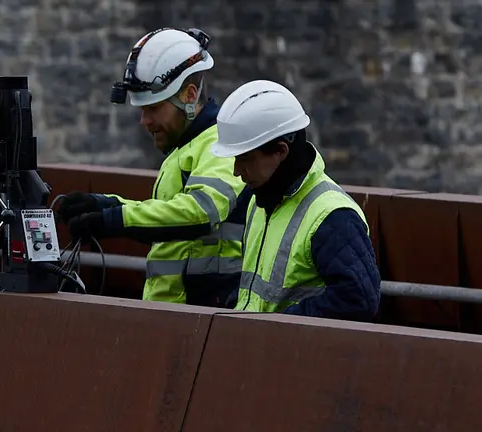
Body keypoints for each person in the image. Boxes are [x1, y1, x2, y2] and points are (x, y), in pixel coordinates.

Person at [56, 27, 251, 308]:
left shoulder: (218, 144)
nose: (144, 121)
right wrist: (104, 205)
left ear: (189, 95)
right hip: (178, 313)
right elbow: (169, 213)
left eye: (154, 108)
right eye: (141, 110)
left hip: (206, 316)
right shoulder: (187, 147)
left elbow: (200, 211)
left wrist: (114, 219)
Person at [208, 79, 381, 321]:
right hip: (256, 347)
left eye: (245, 158)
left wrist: (283, 324)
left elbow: (359, 299)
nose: (236, 170)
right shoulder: (259, 200)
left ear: (281, 151)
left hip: (294, 353)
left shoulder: (332, 216)